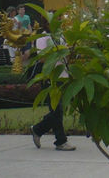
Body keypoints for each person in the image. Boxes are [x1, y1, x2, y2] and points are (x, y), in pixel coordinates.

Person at [29, 16, 75, 151]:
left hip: (63, 77)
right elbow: (43, 58)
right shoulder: (43, 38)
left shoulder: (60, 37)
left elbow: (66, 58)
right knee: (56, 110)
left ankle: (38, 130)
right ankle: (60, 140)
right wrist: (59, 53)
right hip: (51, 78)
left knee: (57, 110)